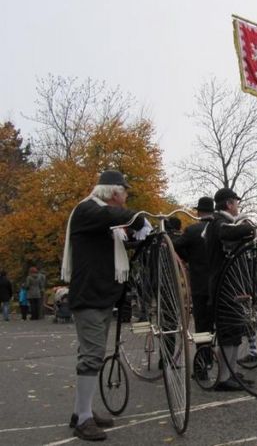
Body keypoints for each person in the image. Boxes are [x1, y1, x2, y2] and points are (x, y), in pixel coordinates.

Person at [61, 169, 146, 441]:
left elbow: (120, 237)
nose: (126, 197)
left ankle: (80, 411)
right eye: (124, 193)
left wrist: (140, 234)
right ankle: (83, 419)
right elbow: (113, 217)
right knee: (92, 355)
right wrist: (137, 218)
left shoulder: (101, 219)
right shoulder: (88, 211)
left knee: (91, 353)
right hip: (89, 295)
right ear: (113, 193)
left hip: (99, 295)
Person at [204, 188, 254, 391]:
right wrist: (249, 226)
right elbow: (228, 233)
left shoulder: (223, 222)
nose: (237, 207)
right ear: (228, 204)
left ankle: (232, 372)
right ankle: (224, 378)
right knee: (227, 330)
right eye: (236, 203)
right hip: (222, 286)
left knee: (235, 330)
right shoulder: (217, 222)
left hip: (232, 285)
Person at [173, 196, 214, 378]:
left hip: (199, 283)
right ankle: (217, 361)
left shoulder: (192, 230)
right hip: (219, 284)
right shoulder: (219, 229)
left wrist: (189, 259)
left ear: (198, 212)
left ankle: (201, 365)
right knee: (217, 324)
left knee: (202, 326)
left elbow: (175, 246)